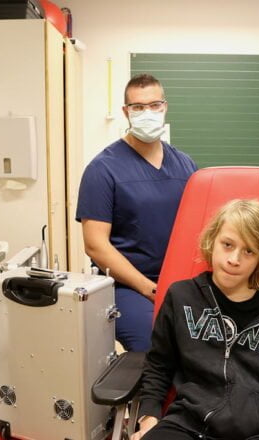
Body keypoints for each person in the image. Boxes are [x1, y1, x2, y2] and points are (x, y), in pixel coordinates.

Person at [133, 199, 259, 440]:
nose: (234, 259)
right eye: (227, 245)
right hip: (188, 423)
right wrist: (148, 417)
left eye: (249, 251)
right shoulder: (181, 297)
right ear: (212, 241)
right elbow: (159, 364)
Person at [75, 74, 197, 352]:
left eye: (154, 105)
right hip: (127, 286)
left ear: (165, 107)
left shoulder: (186, 165)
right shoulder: (102, 169)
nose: (148, 113)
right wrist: (149, 288)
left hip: (181, 280)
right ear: (126, 112)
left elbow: (199, 228)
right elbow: (95, 245)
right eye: (138, 107)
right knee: (154, 345)